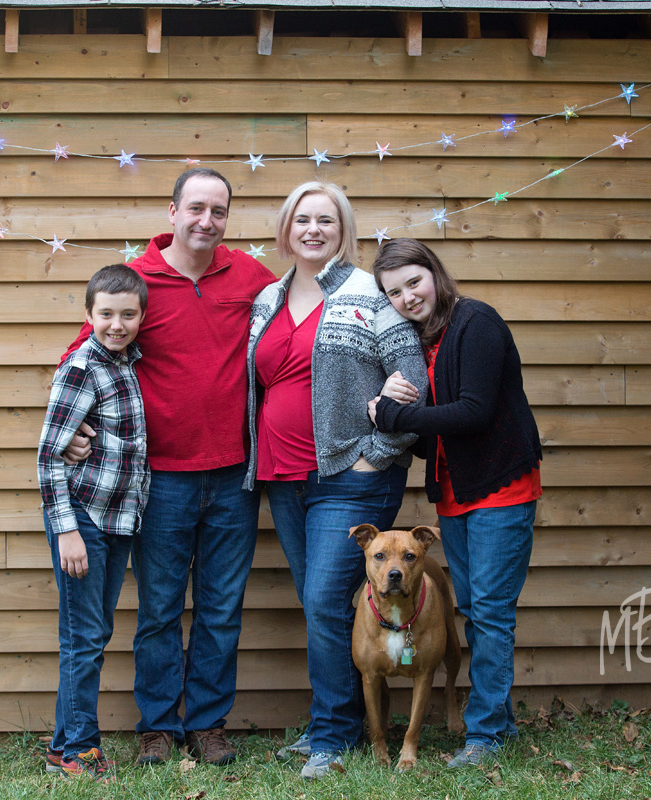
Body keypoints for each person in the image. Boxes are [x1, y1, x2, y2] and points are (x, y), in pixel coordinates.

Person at [60, 169, 276, 765]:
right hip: (160, 479)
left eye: (219, 211)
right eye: (196, 208)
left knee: (220, 607)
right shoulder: (140, 281)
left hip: (236, 475)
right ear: (173, 210)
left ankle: (207, 723)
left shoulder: (251, 277)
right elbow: (84, 350)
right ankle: (157, 725)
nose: (207, 221)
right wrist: (79, 430)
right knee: (158, 609)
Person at [244, 182, 428, 779]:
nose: (314, 230)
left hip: (351, 479)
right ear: (286, 228)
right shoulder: (267, 299)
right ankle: (342, 723)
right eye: (303, 220)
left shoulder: (369, 293)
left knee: (323, 602)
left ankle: (329, 736)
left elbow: (411, 380)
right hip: (284, 475)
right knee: (321, 606)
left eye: (327, 220)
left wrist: (376, 454)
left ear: (343, 229)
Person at [368, 238, 543, 768]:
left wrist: (395, 417)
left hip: (500, 489)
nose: (407, 297)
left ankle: (485, 735)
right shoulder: (428, 343)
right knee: (475, 610)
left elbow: (473, 414)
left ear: (435, 274)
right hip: (454, 494)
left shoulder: (477, 322)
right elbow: (436, 434)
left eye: (413, 282)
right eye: (393, 293)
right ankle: (500, 726)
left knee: (489, 613)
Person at [37, 264, 150, 778]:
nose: (117, 324)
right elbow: (48, 456)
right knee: (84, 637)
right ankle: (81, 749)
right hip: (82, 519)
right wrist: (65, 530)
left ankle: (63, 743)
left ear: (142, 316)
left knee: (92, 631)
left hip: (116, 520)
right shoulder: (83, 366)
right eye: (106, 314)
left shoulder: (125, 364)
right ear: (89, 315)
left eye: (128, 314)